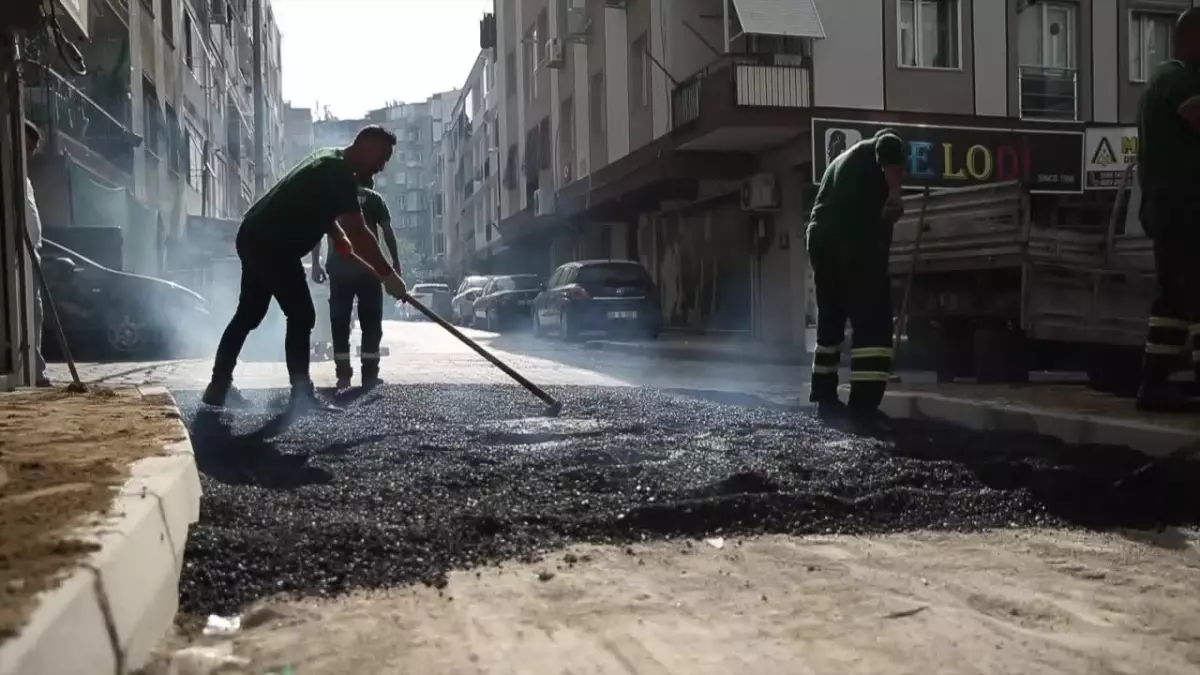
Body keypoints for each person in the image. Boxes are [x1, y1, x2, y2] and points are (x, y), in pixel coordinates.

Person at [202, 125, 409, 411]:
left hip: (254, 234)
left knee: (249, 314)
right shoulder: (339, 173)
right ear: (367, 148)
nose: (382, 167)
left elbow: (321, 207)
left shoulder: (329, 160)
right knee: (301, 315)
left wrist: (337, 237)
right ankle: (301, 395)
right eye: (382, 158)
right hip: (273, 245)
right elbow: (361, 232)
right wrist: (389, 276)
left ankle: (218, 387)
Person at [806, 128, 907, 423]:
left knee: (831, 319)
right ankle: (864, 405)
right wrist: (896, 197)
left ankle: (825, 397)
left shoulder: (842, 162)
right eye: (900, 171)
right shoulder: (884, 143)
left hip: (821, 239)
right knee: (873, 322)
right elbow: (888, 147)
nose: (899, 175)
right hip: (853, 238)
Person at [1134, 8, 1200, 413]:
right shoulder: (1176, 77)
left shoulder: (1171, 78)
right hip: (1183, 203)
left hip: (1170, 205)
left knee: (1174, 301)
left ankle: (1153, 386)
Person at [311, 174, 399, 388]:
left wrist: (315, 263)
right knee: (371, 322)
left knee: (340, 322)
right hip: (370, 271)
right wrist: (396, 264)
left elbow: (317, 232)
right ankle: (369, 375)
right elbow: (387, 232)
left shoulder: (333, 199)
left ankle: (343, 375)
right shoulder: (374, 199)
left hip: (340, 270)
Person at [23, 120, 50, 387]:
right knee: (29, 313)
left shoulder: (25, 179)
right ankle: (33, 369)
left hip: (32, 254)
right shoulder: (11, 175)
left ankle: (35, 368)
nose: (32, 154)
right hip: (18, 258)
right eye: (29, 147)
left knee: (36, 314)